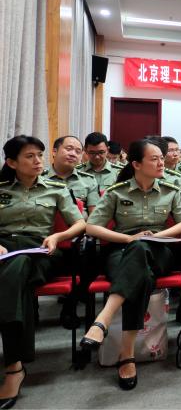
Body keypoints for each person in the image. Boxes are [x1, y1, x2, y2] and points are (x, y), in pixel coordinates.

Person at [79, 139, 181, 390]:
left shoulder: (170, 190)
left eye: (161, 158)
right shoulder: (117, 191)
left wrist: (155, 236)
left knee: (141, 251)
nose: (161, 162)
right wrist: (130, 239)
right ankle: (126, 354)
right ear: (136, 164)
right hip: (122, 250)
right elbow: (92, 227)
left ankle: (103, 320)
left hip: (160, 250)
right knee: (142, 274)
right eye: (154, 159)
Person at [0, 136, 85, 407]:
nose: (38, 161)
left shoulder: (56, 189)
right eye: (30, 156)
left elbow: (80, 224)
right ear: (11, 162)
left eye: (39, 155)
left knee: (19, 266)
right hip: (5, 250)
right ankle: (14, 366)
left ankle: (14, 367)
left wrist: (58, 237)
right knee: (18, 276)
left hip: (40, 251)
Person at [43, 135, 99, 216]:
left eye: (78, 152)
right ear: (54, 152)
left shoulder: (89, 180)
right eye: (68, 149)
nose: (73, 154)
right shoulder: (38, 178)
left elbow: (94, 216)